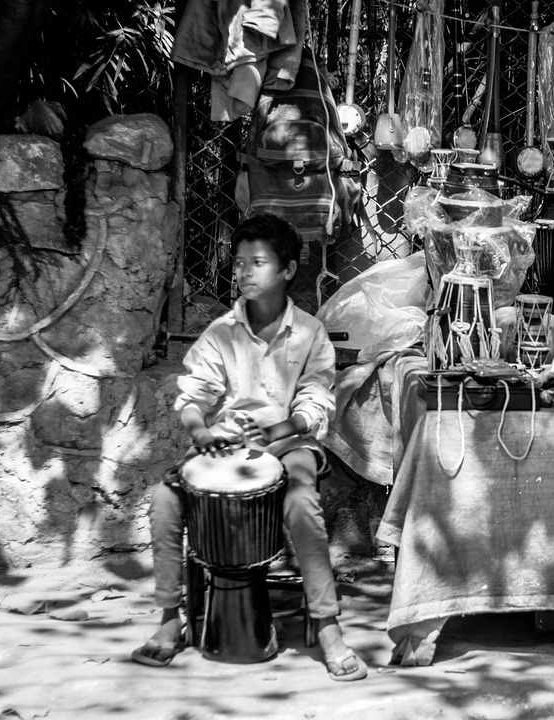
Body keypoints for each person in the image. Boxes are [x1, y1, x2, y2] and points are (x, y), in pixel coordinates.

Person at [131, 213, 367, 681]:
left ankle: (327, 626)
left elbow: (317, 400)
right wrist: (201, 432)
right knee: (163, 499)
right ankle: (167, 620)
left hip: (288, 443)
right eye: (239, 263)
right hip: (227, 446)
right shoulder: (220, 332)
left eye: (257, 262)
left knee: (302, 505)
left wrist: (279, 431)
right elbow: (193, 394)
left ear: (288, 270)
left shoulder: (310, 333)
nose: (243, 272)